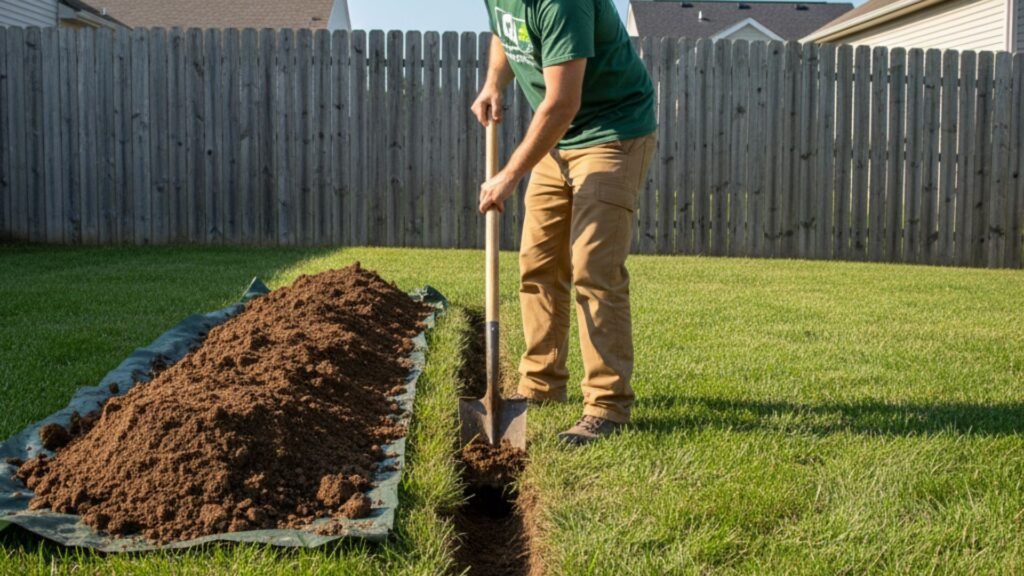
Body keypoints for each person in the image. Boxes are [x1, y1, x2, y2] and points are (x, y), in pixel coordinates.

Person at [472, 0, 656, 445]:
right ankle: (540, 384)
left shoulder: (562, 3)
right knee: (538, 262)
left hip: (611, 131)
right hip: (560, 138)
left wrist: (509, 175)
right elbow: (506, 30)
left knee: (594, 268)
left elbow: (561, 102)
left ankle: (607, 406)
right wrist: (495, 81)